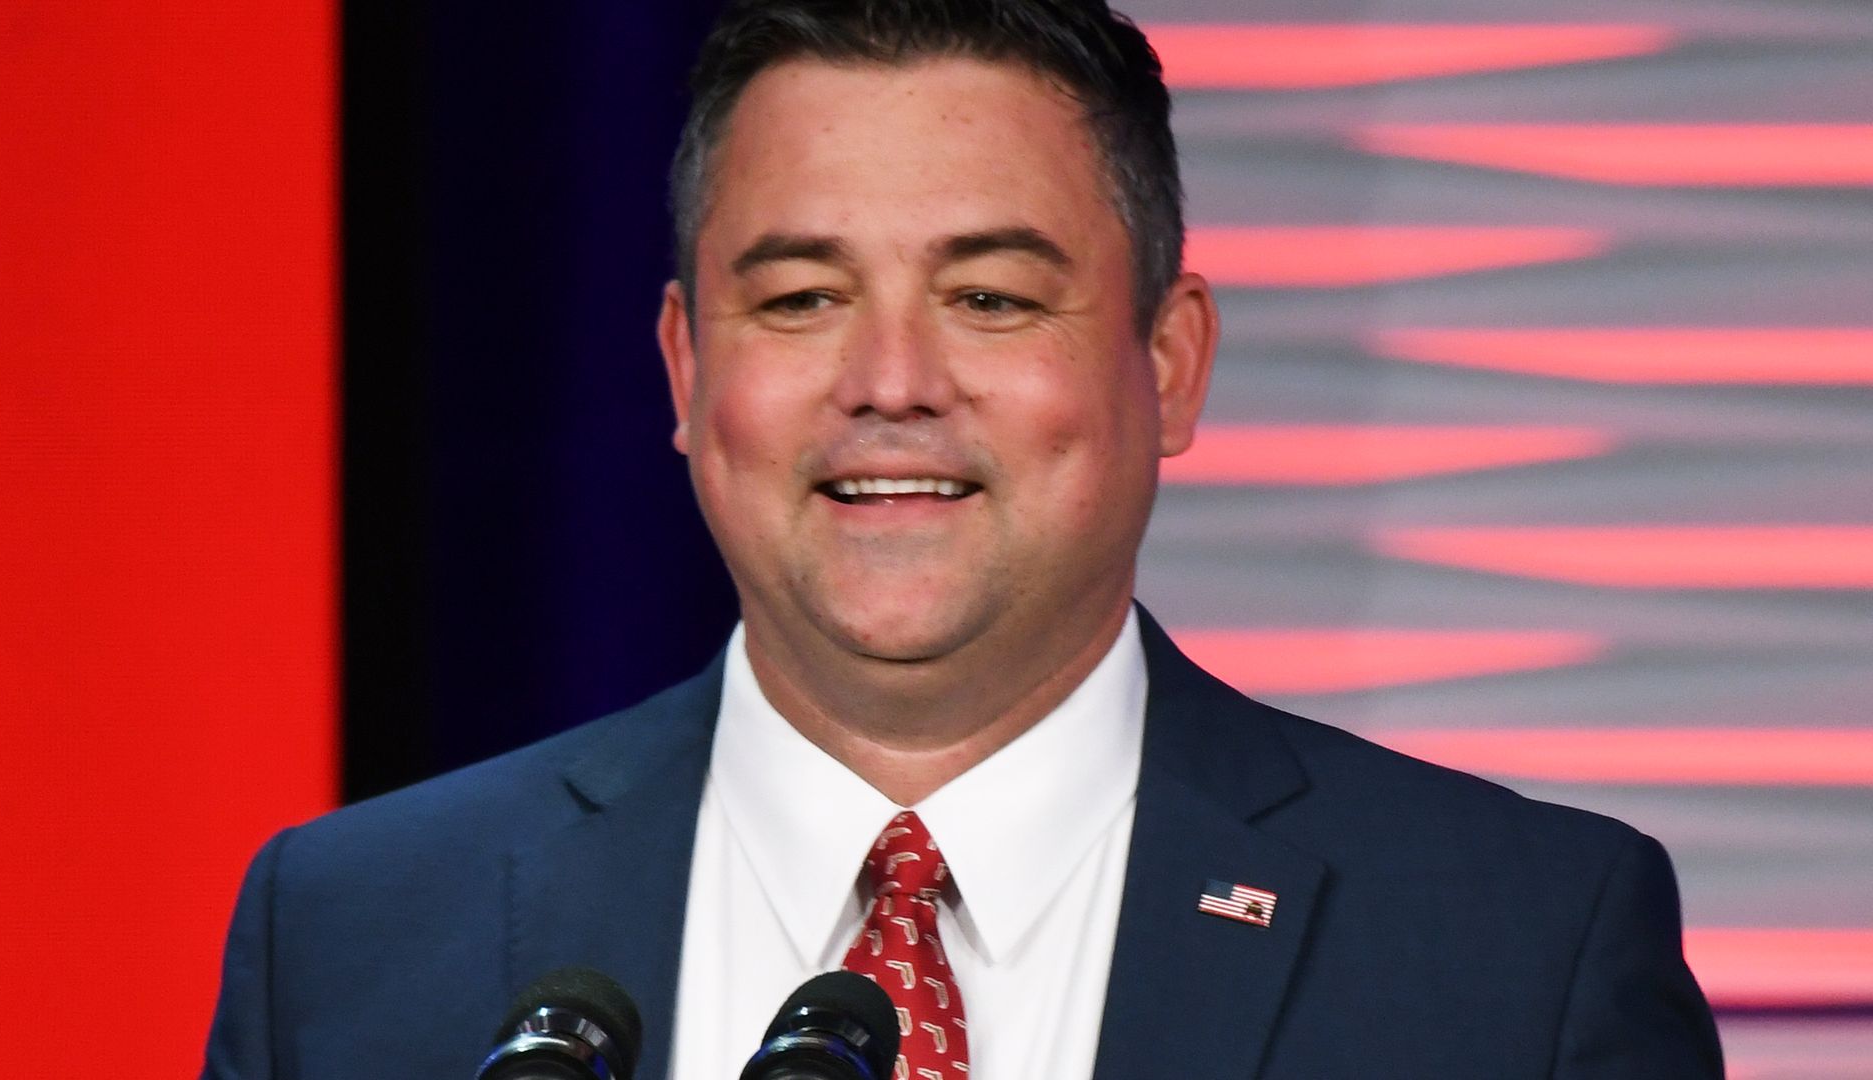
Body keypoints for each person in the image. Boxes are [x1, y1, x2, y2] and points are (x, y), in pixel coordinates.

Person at [203, 2, 1724, 1077]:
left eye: (992, 296)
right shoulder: (353, 936)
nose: (890, 383)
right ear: (683, 371)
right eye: (800, 299)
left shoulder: (1519, 951)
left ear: (1171, 363)